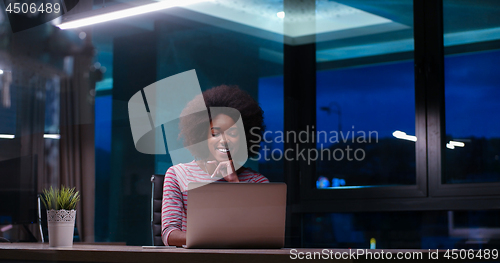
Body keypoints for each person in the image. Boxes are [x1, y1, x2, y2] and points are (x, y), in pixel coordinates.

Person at [161, 85, 269, 246]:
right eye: (215, 133)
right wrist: (215, 237)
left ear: (245, 137)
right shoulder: (178, 174)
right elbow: (169, 234)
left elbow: (262, 234)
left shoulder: (258, 183)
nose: (224, 139)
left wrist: (234, 183)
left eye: (232, 133)